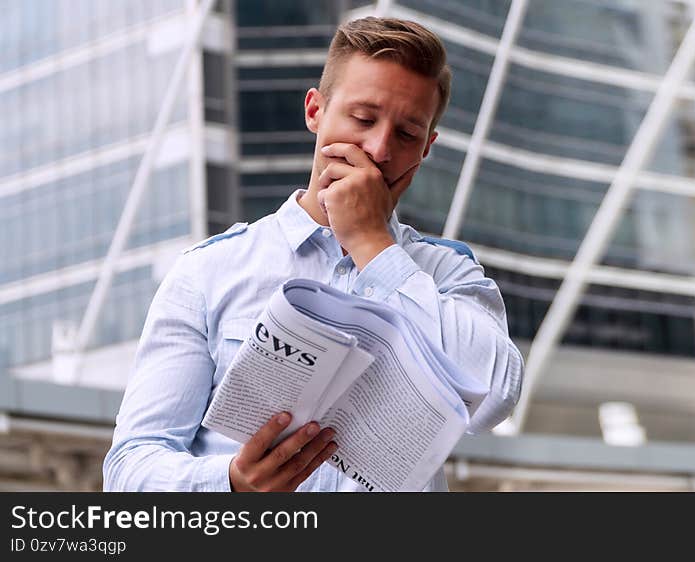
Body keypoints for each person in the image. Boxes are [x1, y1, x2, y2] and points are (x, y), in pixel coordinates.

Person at [103, 16, 523, 492]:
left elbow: (495, 398)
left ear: (426, 148)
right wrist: (232, 483)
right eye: (363, 118)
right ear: (315, 111)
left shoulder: (449, 272)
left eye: (407, 134)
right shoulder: (207, 272)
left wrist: (373, 245)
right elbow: (130, 470)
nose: (379, 147)